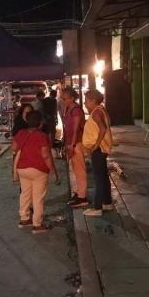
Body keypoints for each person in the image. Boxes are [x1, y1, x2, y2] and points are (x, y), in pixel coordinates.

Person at [11, 111, 59, 234]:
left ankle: (24, 219)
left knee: (25, 193)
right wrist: (53, 172)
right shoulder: (42, 136)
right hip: (38, 170)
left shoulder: (21, 133)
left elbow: (14, 148)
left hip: (22, 168)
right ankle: (37, 224)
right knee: (38, 197)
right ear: (40, 123)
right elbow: (46, 156)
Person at [82, 89, 113, 217]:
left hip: (98, 149)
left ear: (93, 101)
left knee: (99, 179)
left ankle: (97, 207)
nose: (84, 103)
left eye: (86, 101)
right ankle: (107, 203)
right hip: (100, 149)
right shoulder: (101, 110)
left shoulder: (96, 113)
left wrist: (95, 145)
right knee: (103, 177)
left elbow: (102, 128)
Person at [61, 87, 89, 208]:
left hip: (77, 143)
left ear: (72, 98)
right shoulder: (68, 109)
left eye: (65, 98)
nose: (63, 100)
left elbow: (76, 129)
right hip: (71, 142)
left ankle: (82, 196)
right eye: (62, 98)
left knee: (80, 170)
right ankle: (79, 193)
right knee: (76, 169)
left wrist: (72, 145)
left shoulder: (76, 110)